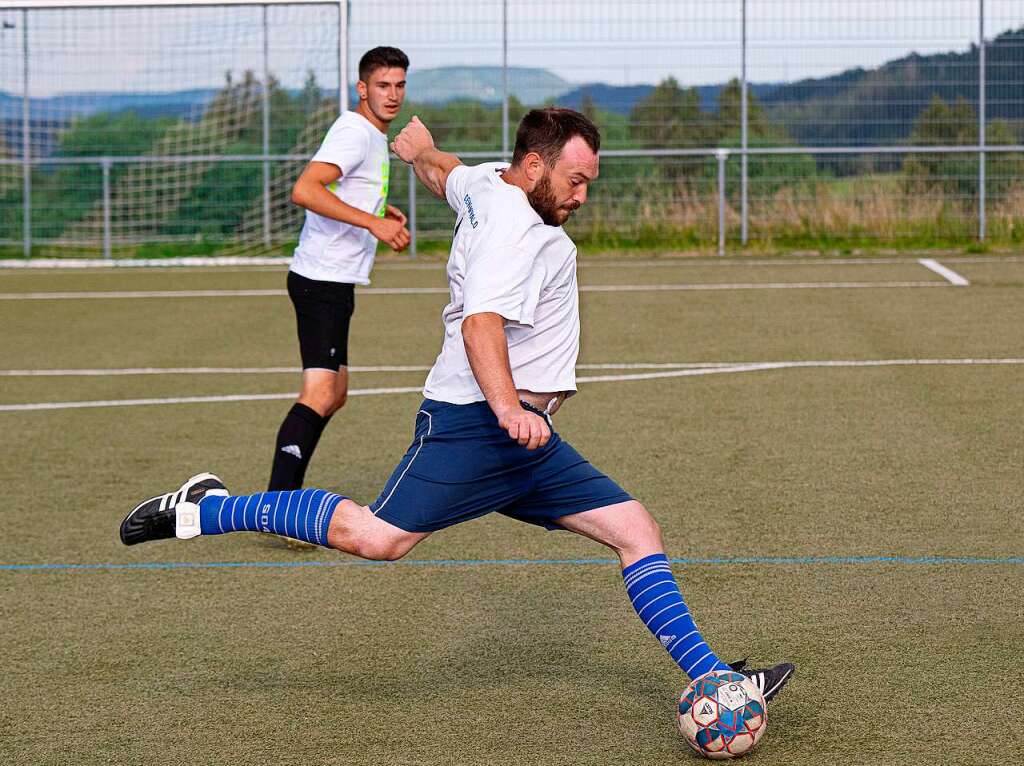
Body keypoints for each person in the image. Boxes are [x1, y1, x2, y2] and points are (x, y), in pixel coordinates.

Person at [119, 108, 794, 700]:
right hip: (478, 426)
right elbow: (481, 323)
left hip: (526, 443)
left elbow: (451, 176)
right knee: (378, 538)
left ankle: (713, 678)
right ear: (534, 166)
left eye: (588, 182)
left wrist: (420, 153)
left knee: (636, 531)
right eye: (576, 180)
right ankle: (206, 509)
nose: (583, 196)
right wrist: (507, 409)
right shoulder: (520, 235)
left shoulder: (492, 183)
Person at [267, 45, 411, 517]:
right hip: (320, 279)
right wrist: (373, 224)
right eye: (382, 86)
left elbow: (343, 190)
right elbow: (305, 189)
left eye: (399, 85)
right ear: (362, 88)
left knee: (335, 393)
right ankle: (277, 507)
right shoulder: (354, 130)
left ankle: (284, 494)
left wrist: (376, 211)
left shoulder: (369, 133)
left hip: (334, 280)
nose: (392, 95)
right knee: (320, 394)